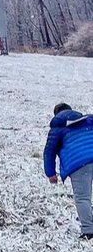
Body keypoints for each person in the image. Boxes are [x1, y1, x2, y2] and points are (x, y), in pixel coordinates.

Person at [44, 102, 93, 239]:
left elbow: (49, 152)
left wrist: (51, 174)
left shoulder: (57, 128)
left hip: (78, 163)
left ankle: (89, 231)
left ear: (56, 114)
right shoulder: (89, 120)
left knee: (83, 198)